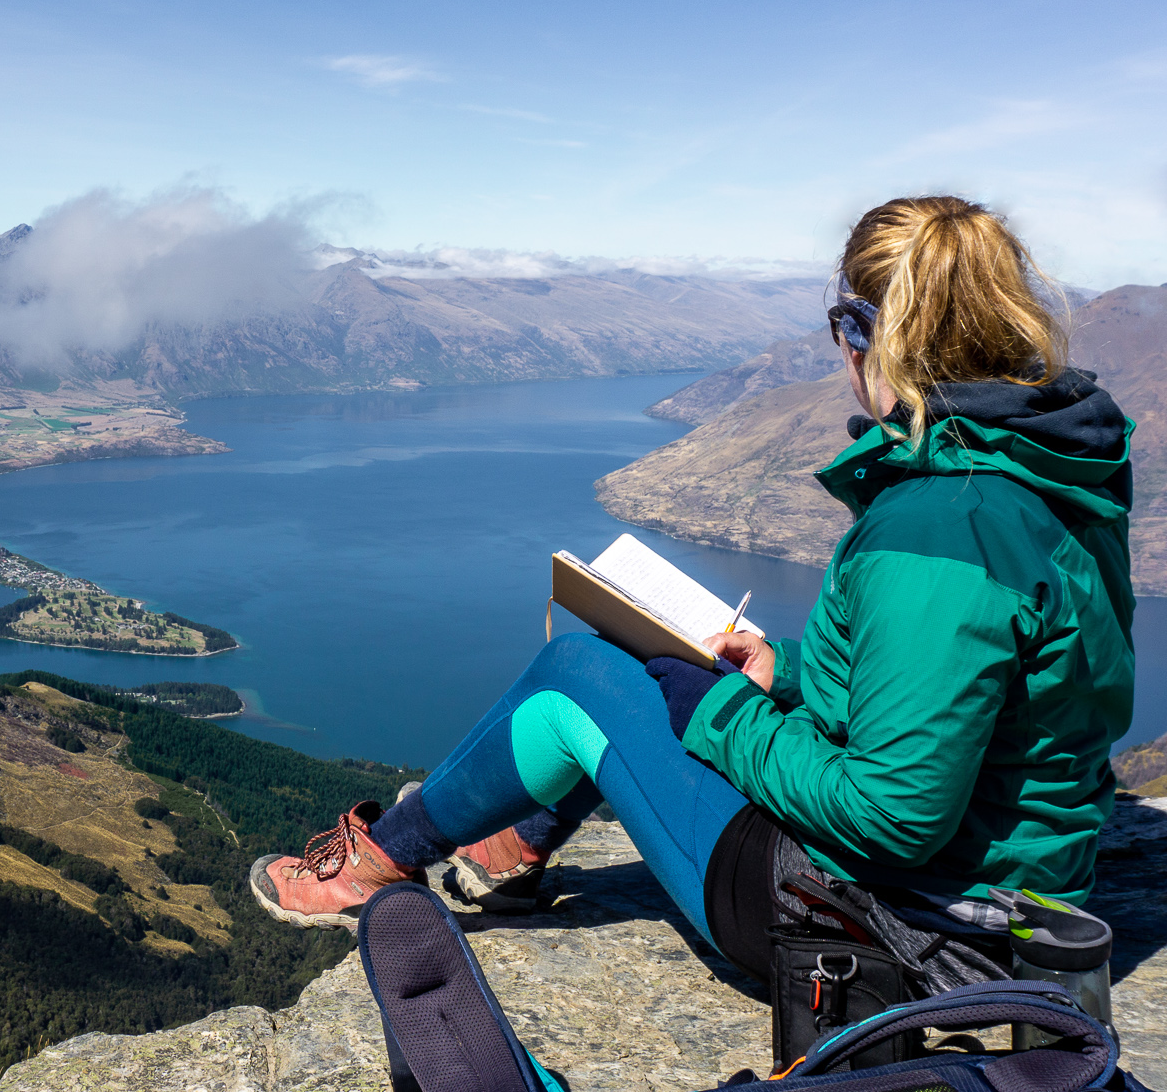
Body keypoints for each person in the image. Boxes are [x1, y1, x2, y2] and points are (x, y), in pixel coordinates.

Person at [249, 195, 1136, 985]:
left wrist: (719, 714)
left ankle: (381, 861)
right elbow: (977, 690)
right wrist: (780, 671)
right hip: (1013, 898)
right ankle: (506, 852)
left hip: (895, 928)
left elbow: (895, 817)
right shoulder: (1050, 477)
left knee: (575, 674)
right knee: (632, 657)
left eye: (840, 325)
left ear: (863, 330)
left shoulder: (942, 528)